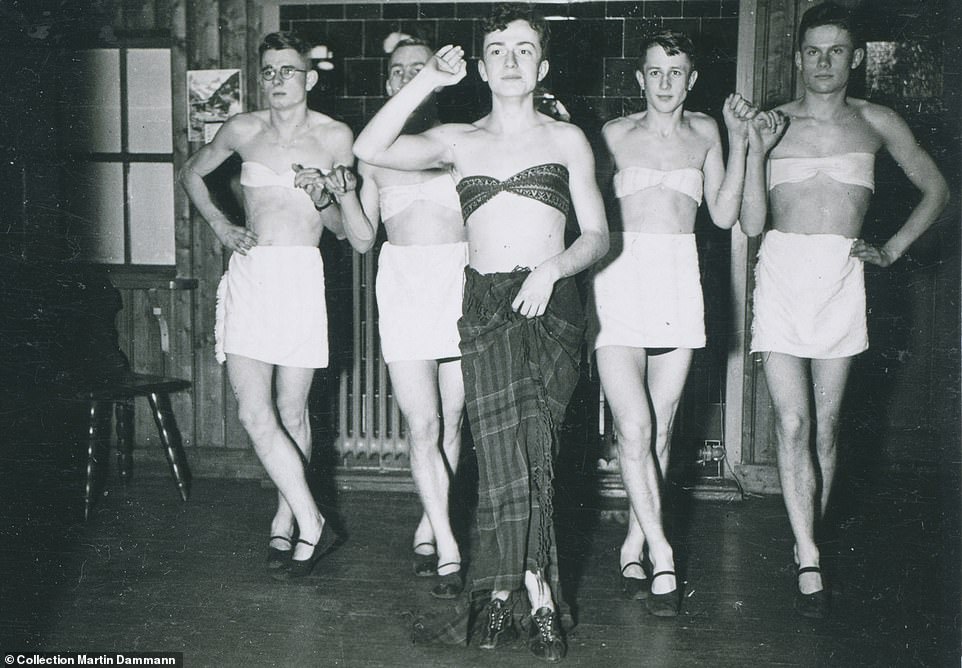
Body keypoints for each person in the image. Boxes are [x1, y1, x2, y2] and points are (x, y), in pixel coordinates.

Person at [355, 4, 609, 661]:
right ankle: (512, 596)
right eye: (497, 49)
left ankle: (527, 597)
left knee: (537, 455)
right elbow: (368, 149)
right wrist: (426, 80)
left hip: (551, 304)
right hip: (485, 307)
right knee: (500, 463)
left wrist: (553, 270)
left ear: (543, 66)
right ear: (482, 66)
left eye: (524, 49)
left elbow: (598, 236)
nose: (511, 60)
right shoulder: (458, 140)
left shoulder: (567, 139)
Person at [740, 2, 948, 619]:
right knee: (793, 424)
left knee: (826, 428)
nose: (823, 62)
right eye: (813, 51)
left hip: (841, 276)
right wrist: (755, 149)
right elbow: (751, 221)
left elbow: (937, 189)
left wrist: (893, 249)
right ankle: (808, 555)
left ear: (855, 58)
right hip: (782, 272)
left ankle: (809, 537)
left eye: (836, 51)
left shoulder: (877, 121)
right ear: (797, 57)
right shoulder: (774, 122)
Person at [179, 31, 376, 580]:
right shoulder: (243, 128)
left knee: (292, 413)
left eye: (288, 70)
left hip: (301, 276)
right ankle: (315, 519)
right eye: (268, 71)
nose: (277, 80)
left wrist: (323, 197)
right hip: (251, 274)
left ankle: (288, 517)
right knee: (252, 412)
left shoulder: (335, 136)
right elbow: (191, 172)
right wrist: (221, 226)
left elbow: (342, 229)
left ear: (309, 78)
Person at [590, 30, 756, 617]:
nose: (665, 82)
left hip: (678, 286)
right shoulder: (613, 135)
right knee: (633, 428)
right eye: (655, 72)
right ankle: (663, 554)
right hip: (617, 285)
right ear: (640, 79)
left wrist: (740, 141)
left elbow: (725, 214)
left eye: (676, 71)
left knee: (658, 433)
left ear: (692, 79)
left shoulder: (707, 131)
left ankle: (633, 544)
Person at [356, 34, 467, 599]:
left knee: (453, 421)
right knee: (422, 425)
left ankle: (431, 522)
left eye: (418, 68)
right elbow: (360, 238)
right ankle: (448, 545)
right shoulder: (373, 157)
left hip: (459, 283)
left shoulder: (459, 144)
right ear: (387, 82)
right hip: (403, 287)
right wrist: (335, 196)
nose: (406, 78)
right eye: (398, 71)